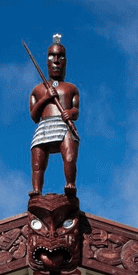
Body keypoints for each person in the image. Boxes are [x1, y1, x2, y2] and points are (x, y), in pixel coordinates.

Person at [29, 34, 79, 196]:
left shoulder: (71, 88)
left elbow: (76, 110)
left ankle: (70, 184)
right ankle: (37, 189)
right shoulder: (38, 90)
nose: (56, 61)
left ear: (65, 62)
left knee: (69, 156)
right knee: (38, 161)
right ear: (47, 62)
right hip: (45, 126)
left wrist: (69, 112)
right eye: (52, 57)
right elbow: (34, 115)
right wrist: (45, 98)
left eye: (60, 57)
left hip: (63, 125)